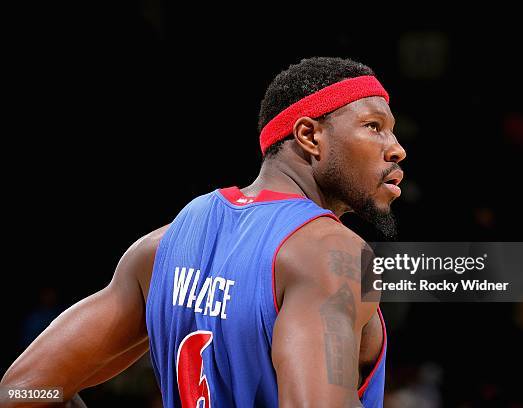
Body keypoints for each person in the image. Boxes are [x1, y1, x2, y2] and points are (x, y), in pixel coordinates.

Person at [1, 57, 406, 407]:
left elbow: (23, 390)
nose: (396, 148)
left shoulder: (162, 246)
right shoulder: (332, 254)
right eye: (374, 126)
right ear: (309, 136)